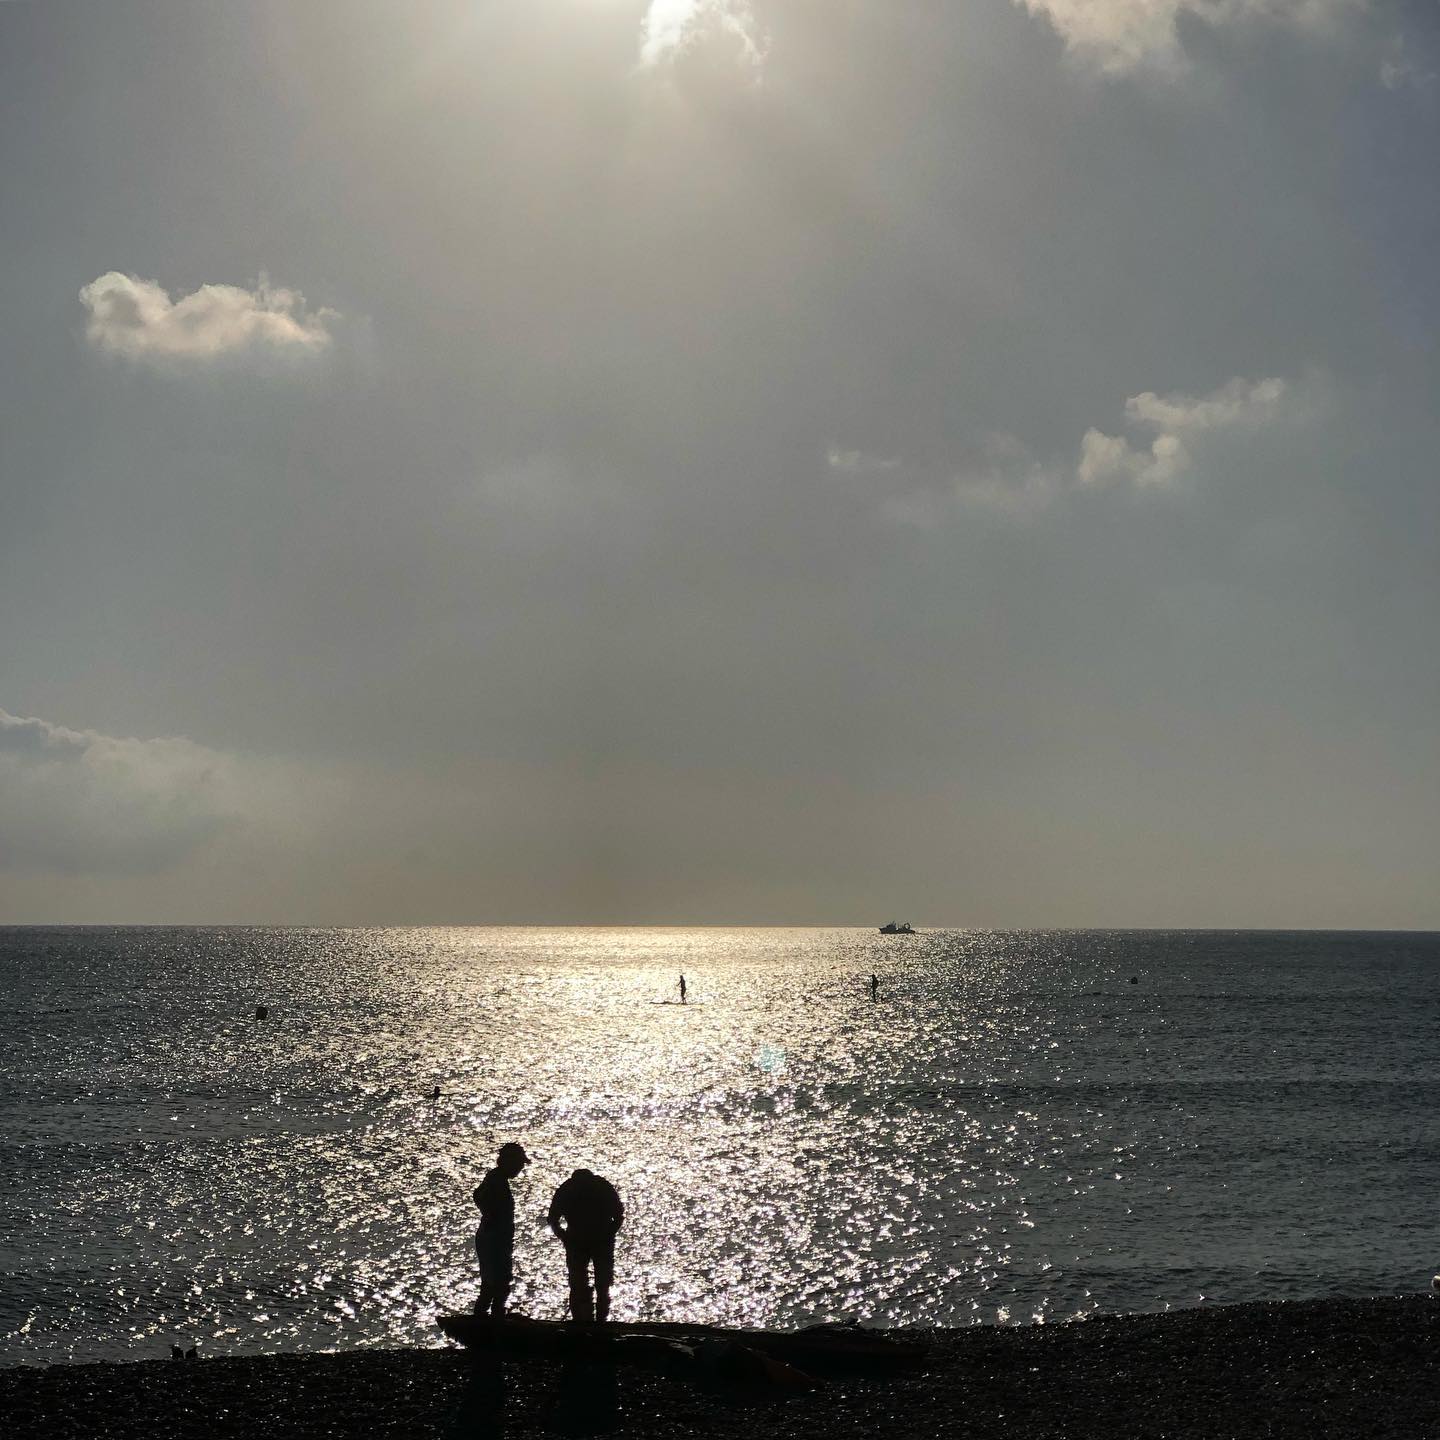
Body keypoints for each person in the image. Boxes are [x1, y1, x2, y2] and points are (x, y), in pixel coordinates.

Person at [547, 1168, 624, 1323]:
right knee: (589, 1283)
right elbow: (619, 1216)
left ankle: (591, 1320)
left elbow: (552, 1219)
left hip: (589, 1240)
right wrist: (564, 1237)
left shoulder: (568, 1188)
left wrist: (564, 1237)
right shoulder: (600, 1187)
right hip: (586, 1240)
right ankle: (589, 1320)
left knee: (589, 1283)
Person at [473, 1141, 529, 1319]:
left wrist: (487, 1213)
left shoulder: (496, 1178)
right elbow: (480, 1197)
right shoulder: (497, 1180)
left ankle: (487, 1318)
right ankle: (491, 1320)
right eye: (519, 1164)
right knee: (498, 1283)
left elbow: (477, 1195)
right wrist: (490, 1215)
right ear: (509, 1162)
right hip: (494, 1239)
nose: (521, 1168)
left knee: (492, 1282)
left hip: (493, 1237)